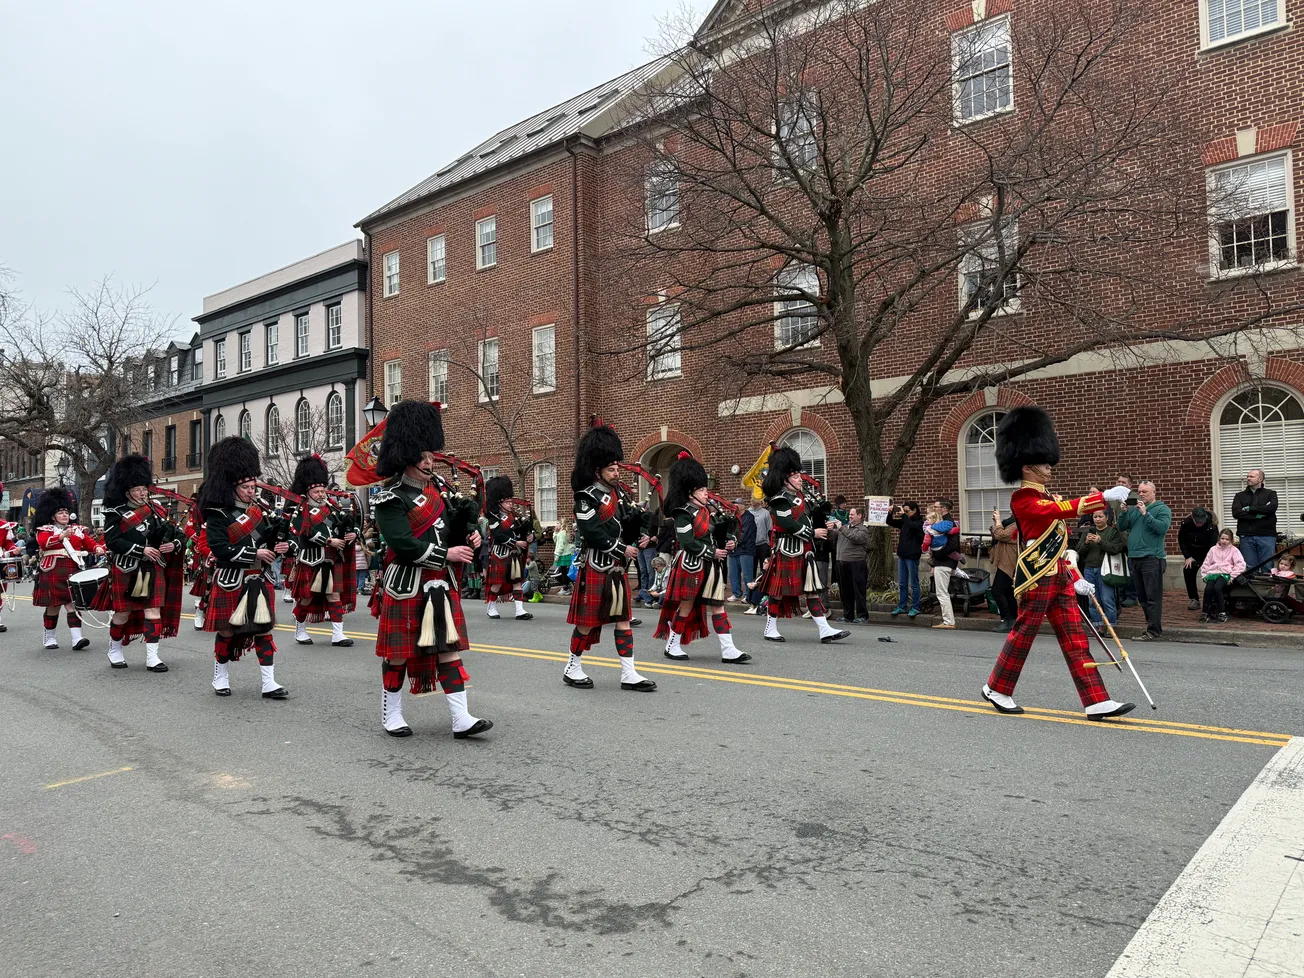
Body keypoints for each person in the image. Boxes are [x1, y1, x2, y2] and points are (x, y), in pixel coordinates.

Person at [981, 407, 1135, 720]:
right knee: (1024, 634)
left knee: (1075, 637)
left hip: (1059, 576)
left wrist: (1074, 576)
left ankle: (1096, 700)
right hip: (1037, 576)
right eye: (1043, 463)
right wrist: (1102, 497)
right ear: (1027, 466)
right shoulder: (1023, 498)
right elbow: (1057, 512)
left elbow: (1059, 541)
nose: (1049, 467)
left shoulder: (1046, 495)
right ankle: (996, 688)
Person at [368, 401, 492, 737]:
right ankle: (391, 714)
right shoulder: (390, 498)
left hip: (440, 583)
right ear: (405, 457)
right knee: (398, 655)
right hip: (406, 584)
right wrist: (447, 553)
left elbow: (449, 530)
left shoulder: (438, 492)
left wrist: (470, 535)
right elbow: (402, 543)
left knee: (449, 649)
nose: (429, 462)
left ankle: (461, 718)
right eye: (422, 456)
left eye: (430, 456)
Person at [563, 421, 656, 691]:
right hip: (596, 565)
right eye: (611, 469)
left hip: (616, 569)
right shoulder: (585, 498)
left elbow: (627, 522)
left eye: (617, 469)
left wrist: (642, 532)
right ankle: (572, 667)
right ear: (598, 471)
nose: (616, 473)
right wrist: (621, 549)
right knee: (587, 623)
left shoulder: (619, 493)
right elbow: (592, 533)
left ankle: (629, 673)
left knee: (623, 620)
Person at [199, 437, 291, 699]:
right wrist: (255, 553)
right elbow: (220, 549)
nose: (252, 491)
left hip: (259, 578)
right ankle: (220, 676)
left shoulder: (260, 512)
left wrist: (281, 546)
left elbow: (267, 543)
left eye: (253, 486)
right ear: (233, 487)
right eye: (246, 487)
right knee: (227, 630)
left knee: (263, 629)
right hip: (231, 578)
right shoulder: (218, 514)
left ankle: (269, 683)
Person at [654, 453, 752, 663]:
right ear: (691, 494)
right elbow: (687, 542)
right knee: (686, 606)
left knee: (718, 605)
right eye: (701, 490)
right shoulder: (683, 514)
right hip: (691, 565)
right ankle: (672, 645)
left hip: (711, 566)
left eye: (705, 489)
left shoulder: (709, 512)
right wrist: (712, 552)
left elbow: (722, 532)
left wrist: (731, 540)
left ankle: (728, 649)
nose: (706, 493)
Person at [92, 454, 184, 672]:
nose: (143, 493)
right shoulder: (115, 513)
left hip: (153, 566)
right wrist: (141, 550)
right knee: (122, 613)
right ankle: (114, 649)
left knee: (153, 610)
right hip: (127, 567)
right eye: (137, 490)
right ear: (127, 492)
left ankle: (153, 657)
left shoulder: (156, 511)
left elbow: (178, 534)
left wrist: (174, 544)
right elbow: (113, 541)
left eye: (144, 489)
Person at [758, 446, 850, 644]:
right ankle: (770, 628)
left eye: (799, 476)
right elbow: (788, 524)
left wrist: (824, 524)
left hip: (804, 550)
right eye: (796, 476)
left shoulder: (801, 497)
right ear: (785, 480)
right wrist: (813, 533)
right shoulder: (779, 500)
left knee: (811, 590)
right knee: (778, 593)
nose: (800, 479)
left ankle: (824, 629)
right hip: (787, 550)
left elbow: (807, 519)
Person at [288, 456, 358, 648]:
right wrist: (328, 541)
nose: (321, 494)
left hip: (332, 559)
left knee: (334, 596)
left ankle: (338, 634)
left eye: (322, 491)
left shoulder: (333, 508)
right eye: (317, 492)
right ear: (308, 492)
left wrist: (353, 533)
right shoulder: (301, 509)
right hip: (310, 560)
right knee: (306, 598)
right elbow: (303, 530)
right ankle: (300, 630)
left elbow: (348, 524)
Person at [31, 487, 104, 648]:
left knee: (73, 605)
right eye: (60, 512)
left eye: (66, 512)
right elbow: (44, 543)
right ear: (52, 516)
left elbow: (89, 543)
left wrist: (98, 548)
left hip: (73, 569)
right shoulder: (45, 530)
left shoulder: (77, 530)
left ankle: (77, 638)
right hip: (53, 569)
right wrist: (61, 536)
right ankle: (49, 637)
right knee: (53, 606)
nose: (64, 515)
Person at [1117, 480, 1172, 641]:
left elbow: (1161, 528)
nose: (1141, 494)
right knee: (1142, 597)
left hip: (1152, 558)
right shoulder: (1134, 510)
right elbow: (1121, 527)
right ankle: (1151, 627)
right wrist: (1124, 512)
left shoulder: (1162, 509)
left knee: (1152, 596)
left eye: (1145, 492)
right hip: (1134, 557)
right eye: (1139, 491)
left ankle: (1154, 630)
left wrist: (1145, 514)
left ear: (1153, 492)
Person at [483, 476, 533, 621]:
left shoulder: (515, 516)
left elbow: (521, 532)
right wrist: (516, 543)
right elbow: (498, 536)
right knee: (497, 583)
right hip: (500, 554)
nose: (511, 504)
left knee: (517, 581)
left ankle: (519, 610)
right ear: (499, 503)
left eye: (511, 501)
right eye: (507, 501)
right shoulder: (493, 518)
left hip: (514, 555)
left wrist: (529, 536)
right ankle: (491, 607)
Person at [1074, 508, 1127, 627]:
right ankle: (1098, 625)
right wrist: (1086, 543)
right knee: (1092, 600)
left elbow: (1116, 549)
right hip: (1089, 568)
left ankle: (1111, 624)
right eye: (1095, 517)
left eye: (1100, 516)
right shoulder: (1087, 532)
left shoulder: (1113, 532)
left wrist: (1100, 541)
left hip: (1106, 569)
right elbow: (1079, 551)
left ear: (1107, 518)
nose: (1097, 519)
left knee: (1107, 598)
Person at [1232, 469, 1279, 574]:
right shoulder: (1239, 496)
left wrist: (1250, 509)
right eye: (1248, 476)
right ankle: (1252, 586)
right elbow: (1236, 513)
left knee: (1267, 567)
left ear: (1260, 479)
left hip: (1266, 535)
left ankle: (1266, 586)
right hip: (1246, 536)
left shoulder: (1270, 493)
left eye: (1252, 476)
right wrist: (1258, 515)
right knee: (1250, 568)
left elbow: (1271, 508)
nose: (1248, 478)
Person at [1197, 528, 1245, 623]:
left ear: (1231, 540)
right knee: (1208, 589)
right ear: (1219, 538)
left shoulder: (1234, 550)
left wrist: (1232, 576)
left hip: (1225, 574)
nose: (1224, 541)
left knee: (1217, 588)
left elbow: (1240, 564)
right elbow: (1206, 563)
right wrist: (1204, 575)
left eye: (1227, 539)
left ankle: (1222, 612)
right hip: (1212, 573)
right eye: (1222, 538)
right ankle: (1205, 612)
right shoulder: (1213, 549)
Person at [925, 499, 960, 630]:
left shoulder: (948, 523)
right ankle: (948, 620)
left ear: (944, 509)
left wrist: (937, 553)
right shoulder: (942, 523)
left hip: (944, 561)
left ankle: (949, 621)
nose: (934, 509)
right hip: (944, 561)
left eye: (936, 507)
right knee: (942, 592)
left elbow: (953, 545)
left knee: (942, 592)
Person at [831, 507, 870, 623]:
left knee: (859, 590)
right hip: (842, 563)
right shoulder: (844, 528)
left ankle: (862, 616)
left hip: (856, 563)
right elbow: (832, 537)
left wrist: (841, 528)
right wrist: (829, 529)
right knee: (845, 590)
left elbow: (855, 538)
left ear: (860, 516)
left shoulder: (863, 529)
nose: (850, 516)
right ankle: (848, 615)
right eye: (850, 514)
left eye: (852, 514)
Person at [887, 501, 925, 617]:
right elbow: (890, 522)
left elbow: (912, 526)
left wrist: (904, 515)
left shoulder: (919, 523)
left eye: (907, 511)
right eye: (904, 511)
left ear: (914, 510)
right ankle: (902, 606)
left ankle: (915, 607)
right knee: (902, 584)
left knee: (914, 584)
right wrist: (890, 513)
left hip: (912, 556)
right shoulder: (905, 521)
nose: (905, 513)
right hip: (902, 555)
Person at [1178, 507, 1219, 611]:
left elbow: (1213, 544)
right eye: (1197, 522)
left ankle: (1213, 598)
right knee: (1188, 570)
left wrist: (1209, 560)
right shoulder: (1186, 523)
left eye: (1201, 521)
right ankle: (1194, 598)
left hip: (1208, 552)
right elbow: (1182, 541)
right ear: (1192, 518)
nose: (1200, 524)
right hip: (1192, 553)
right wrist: (1187, 556)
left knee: (1213, 573)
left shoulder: (1211, 524)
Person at [988, 509, 1019, 632]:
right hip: (1005, 561)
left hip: (1008, 563)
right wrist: (996, 523)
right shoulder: (1011, 523)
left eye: (1013, 510)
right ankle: (1013, 620)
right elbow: (998, 534)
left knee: (997, 591)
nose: (1010, 513)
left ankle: (1006, 620)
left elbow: (1001, 535)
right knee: (1008, 592)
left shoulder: (1017, 525)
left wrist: (998, 521)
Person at [744, 495, 772, 614]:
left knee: (764, 569)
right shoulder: (747, 512)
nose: (752, 502)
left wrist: (769, 544)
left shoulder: (765, 513)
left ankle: (762, 593)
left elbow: (769, 529)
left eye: (755, 500)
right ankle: (750, 595)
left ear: (760, 501)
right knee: (751, 569)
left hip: (762, 544)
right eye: (751, 500)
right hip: (750, 545)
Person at [729, 497, 756, 604]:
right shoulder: (733, 517)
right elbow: (729, 531)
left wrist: (734, 542)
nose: (735, 506)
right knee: (733, 574)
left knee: (747, 575)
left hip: (746, 550)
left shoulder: (749, 517)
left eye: (737, 504)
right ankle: (736, 593)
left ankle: (749, 595)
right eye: (734, 504)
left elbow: (744, 533)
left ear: (743, 506)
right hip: (734, 550)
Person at [551, 517, 575, 595]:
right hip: (563, 554)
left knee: (563, 572)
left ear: (561, 525)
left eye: (558, 523)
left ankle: (565, 588)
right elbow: (556, 541)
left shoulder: (562, 534)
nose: (556, 524)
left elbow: (561, 546)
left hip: (562, 555)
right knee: (563, 571)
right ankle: (567, 586)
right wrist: (555, 532)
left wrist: (557, 555)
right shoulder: (561, 533)